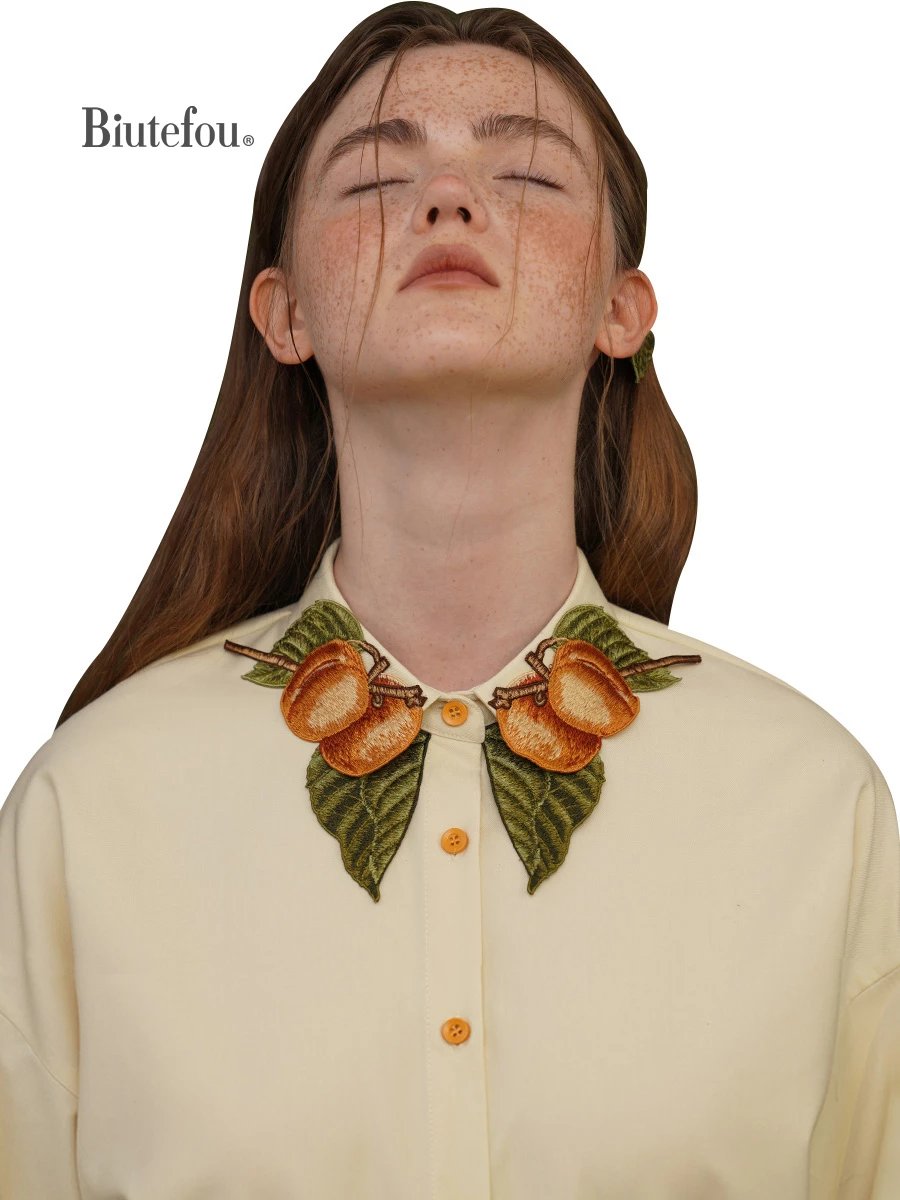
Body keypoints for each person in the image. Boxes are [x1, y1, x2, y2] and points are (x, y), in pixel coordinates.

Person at [1, 3, 897, 1196]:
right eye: (379, 180)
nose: (449, 200)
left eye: (526, 172)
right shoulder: (85, 812)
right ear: (284, 313)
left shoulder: (818, 807)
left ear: (622, 309)